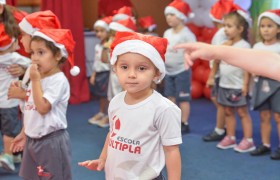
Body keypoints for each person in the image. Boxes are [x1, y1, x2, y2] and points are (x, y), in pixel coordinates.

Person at [79, 31, 182, 180]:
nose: (131, 74)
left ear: (156, 73)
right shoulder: (115, 101)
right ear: (115, 69)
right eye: (124, 67)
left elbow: (171, 151)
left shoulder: (164, 109)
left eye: (141, 68)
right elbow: (113, 133)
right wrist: (103, 158)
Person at [12, 28, 77, 180]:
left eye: (41, 52)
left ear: (58, 55)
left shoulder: (58, 80)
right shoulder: (38, 77)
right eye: (32, 53)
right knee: (31, 177)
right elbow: (30, 110)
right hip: (32, 139)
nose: (34, 58)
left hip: (51, 141)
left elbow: (42, 108)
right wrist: (24, 133)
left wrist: (35, 81)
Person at [210, 8, 255, 153]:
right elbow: (217, 61)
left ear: (240, 29)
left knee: (242, 112)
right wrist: (212, 76)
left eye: (229, 26)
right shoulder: (225, 44)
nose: (225, 30)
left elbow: (247, 67)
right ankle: (230, 136)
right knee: (228, 111)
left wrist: (245, 84)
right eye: (224, 26)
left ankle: (248, 140)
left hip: (238, 86)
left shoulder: (244, 46)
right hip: (224, 84)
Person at [249, 9, 280, 160]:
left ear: (278, 28)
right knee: (264, 115)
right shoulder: (257, 47)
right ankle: (265, 144)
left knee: (278, 117)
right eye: (263, 26)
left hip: (278, 86)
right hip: (261, 84)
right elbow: (252, 65)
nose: (266, 29)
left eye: (270, 26)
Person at [202, 0, 234, 142]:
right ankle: (225, 125)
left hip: (219, 73)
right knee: (218, 100)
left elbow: (217, 56)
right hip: (220, 72)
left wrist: (211, 75)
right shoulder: (222, 33)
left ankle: (220, 129)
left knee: (219, 101)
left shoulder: (221, 33)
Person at [0, 24, 30, 172]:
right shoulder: (14, 57)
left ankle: (14, 153)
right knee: (9, 132)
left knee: (7, 130)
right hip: (8, 102)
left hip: (4, 103)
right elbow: (34, 66)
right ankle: (8, 157)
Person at [163, 0, 196, 134]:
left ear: (181, 16)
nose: (168, 17)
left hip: (182, 71)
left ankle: (184, 122)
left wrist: (187, 61)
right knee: (169, 97)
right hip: (168, 71)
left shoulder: (187, 34)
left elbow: (193, 50)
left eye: (172, 14)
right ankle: (171, 121)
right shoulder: (167, 33)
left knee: (183, 98)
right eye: (167, 15)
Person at [88, 16, 112, 127]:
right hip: (99, 73)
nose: (99, 33)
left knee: (107, 95)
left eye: (102, 31)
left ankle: (109, 115)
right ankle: (102, 112)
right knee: (100, 95)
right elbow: (96, 61)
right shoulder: (97, 46)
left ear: (108, 31)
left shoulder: (110, 45)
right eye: (97, 31)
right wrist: (93, 74)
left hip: (107, 73)